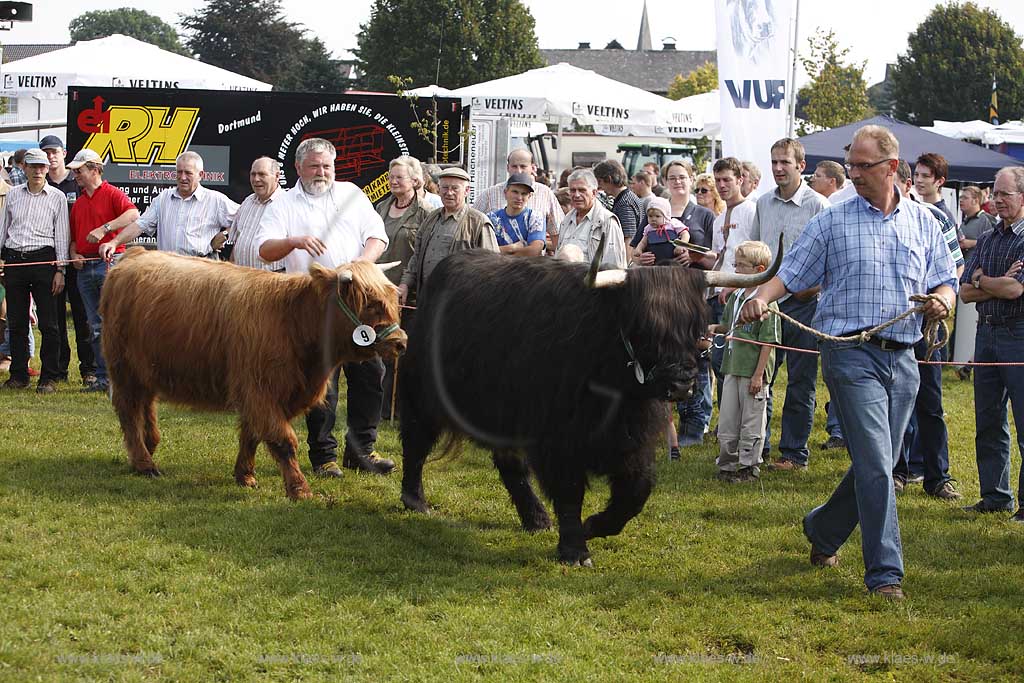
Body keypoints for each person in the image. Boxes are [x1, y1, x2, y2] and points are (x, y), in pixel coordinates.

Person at [739, 124, 957, 600]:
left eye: (863, 166)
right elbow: (792, 273)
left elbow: (946, 280)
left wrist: (942, 300)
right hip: (848, 354)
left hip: (904, 360)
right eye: (851, 164)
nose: (853, 173)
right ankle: (885, 575)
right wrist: (761, 296)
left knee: (873, 462)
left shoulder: (925, 222)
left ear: (892, 167)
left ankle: (822, 529)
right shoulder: (833, 220)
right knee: (879, 464)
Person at [257, 137, 394, 478]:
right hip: (312, 307)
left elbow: (377, 236)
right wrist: (294, 241)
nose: (322, 172)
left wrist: (361, 263)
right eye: (315, 166)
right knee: (322, 384)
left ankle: (362, 450)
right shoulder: (283, 203)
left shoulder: (351, 194)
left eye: (327, 166)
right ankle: (324, 456)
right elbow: (265, 249)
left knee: (371, 375)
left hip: (357, 303)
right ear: (298, 168)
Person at [750, 138, 830, 473]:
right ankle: (756, 447)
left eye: (785, 162)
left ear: (802, 165)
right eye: (775, 163)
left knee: (801, 381)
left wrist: (809, 289)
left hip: (804, 307)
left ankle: (794, 454)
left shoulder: (820, 206)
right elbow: (754, 249)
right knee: (760, 377)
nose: (779, 169)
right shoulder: (763, 204)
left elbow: (831, 260)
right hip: (768, 302)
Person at [891, 159, 964, 500]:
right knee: (895, 400)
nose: (917, 183)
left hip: (925, 324)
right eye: (915, 176)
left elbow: (954, 269)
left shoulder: (934, 219)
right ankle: (897, 470)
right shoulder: (874, 220)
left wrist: (940, 300)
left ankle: (938, 475)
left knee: (929, 402)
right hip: (891, 323)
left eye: (922, 177)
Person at [959, 165, 1024, 523]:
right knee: (988, 419)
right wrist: (992, 281)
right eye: (994, 193)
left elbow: (1017, 290)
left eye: (1005, 194)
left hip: (1019, 334)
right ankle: (995, 496)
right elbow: (965, 292)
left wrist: (985, 279)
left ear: (1023, 197)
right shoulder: (988, 238)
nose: (997, 200)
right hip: (986, 334)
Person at [66, 148, 139, 393]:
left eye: (79, 170)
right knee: (95, 325)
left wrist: (105, 229)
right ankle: (103, 377)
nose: (75, 174)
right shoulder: (78, 204)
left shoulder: (112, 193)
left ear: (94, 170)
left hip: (111, 264)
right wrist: (74, 253)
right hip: (85, 267)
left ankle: (119, 377)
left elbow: (133, 214)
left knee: (114, 323)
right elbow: (75, 239)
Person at [0, 148, 70, 394]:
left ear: (47, 169)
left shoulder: (58, 197)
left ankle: (48, 377)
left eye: (42, 167)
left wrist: (60, 269)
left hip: (44, 261)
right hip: (15, 260)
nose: (39, 171)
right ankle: (18, 374)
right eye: (34, 166)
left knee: (49, 324)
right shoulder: (13, 196)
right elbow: (4, 227)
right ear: (25, 168)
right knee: (16, 321)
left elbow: (62, 235)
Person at [711, 241, 780, 482]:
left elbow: (768, 342)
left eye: (741, 266)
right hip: (732, 367)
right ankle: (727, 465)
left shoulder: (767, 303)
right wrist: (713, 329)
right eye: (735, 265)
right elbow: (727, 326)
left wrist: (759, 375)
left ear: (759, 268)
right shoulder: (737, 296)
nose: (736, 270)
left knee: (751, 420)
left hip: (753, 373)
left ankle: (748, 466)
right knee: (728, 417)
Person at [102, 151, 238, 258]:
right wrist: (114, 243)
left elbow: (245, 218)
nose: (183, 177)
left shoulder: (215, 200)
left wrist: (225, 234)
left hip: (202, 268)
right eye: (179, 172)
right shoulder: (163, 198)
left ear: (200, 175)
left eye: (188, 173)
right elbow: (140, 225)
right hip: (168, 270)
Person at [39, 135, 96, 386]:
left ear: (64, 153)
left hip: (79, 259)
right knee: (54, 318)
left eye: (54, 152)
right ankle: (59, 369)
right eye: (46, 153)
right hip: (53, 261)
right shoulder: (41, 183)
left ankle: (89, 369)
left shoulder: (77, 183)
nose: (51, 157)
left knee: (83, 317)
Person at [399, 167, 499, 304]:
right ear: (438, 189)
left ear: (466, 191)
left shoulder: (479, 223)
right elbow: (416, 257)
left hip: (460, 304)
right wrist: (405, 284)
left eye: (455, 188)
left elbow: (492, 267)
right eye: (445, 188)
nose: (449, 193)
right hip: (427, 300)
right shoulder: (431, 218)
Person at [473, 150, 564, 250]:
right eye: (514, 166)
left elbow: (558, 232)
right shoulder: (489, 194)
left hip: (531, 263)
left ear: (533, 168)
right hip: (496, 263)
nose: (518, 171)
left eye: (523, 166)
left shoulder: (545, 193)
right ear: (508, 168)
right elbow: (472, 227)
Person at [212, 157, 284, 271]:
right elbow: (237, 242)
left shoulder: (288, 205)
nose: (256, 179)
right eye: (253, 174)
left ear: (277, 176)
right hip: (243, 278)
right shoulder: (247, 202)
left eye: (262, 174)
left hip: (273, 280)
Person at [954, 185, 995, 381]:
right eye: (960, 197)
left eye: (965, 197)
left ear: (976, 201)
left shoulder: (985, 221)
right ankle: (968, 363)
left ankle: (970, 363)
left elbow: (991, 243)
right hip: (967, 281)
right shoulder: (964, 222)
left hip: (980, 281)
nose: (961, 200)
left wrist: (970, 243)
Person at [553, 168, 627, 268]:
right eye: (573, 190)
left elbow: (614, 266)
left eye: (582, 190)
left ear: (594, 193)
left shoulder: (607, 222)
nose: (577, 195)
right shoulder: (566, 220)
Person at [487, 172, 546, 258]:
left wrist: (502, 253)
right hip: (497, 269)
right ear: (505, 192)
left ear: (530, 196)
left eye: (524, 193)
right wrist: (512, 247)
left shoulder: (536, 217)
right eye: (515, 192)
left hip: (527, 269)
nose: (519, 198)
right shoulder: (492, 218)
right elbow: (486, 250)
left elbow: (534, 251)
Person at [594, 159, 644, 253]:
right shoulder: (627, 197)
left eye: (600, 182)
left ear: (609, 179)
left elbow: (628, 239)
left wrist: (624, 266)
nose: (599, 187)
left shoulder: (624, 203)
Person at [633, 197, 688, 265]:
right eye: (650, 216)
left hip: (673, 261)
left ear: (666, 216)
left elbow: (685, 234)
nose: (653, 219)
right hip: (654, 262)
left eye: (657, 216)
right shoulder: (648, 228)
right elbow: (643, 242)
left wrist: (681, 245)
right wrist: (639, 249)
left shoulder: (673, 224)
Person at [914, 153, 956, 222]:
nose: (918, 180)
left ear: (940, 181)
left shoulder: (942, 216)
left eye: (926, 176)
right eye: (916, 174)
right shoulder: (918, 209)